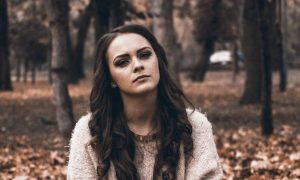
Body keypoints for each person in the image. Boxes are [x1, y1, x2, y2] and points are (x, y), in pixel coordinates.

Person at [67, 24, 223, 180]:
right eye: (122, 62)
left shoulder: (194, 126)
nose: (138, 65)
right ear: (111, 79)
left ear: (158, 62)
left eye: (145, 55)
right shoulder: (90, 132)